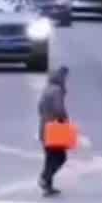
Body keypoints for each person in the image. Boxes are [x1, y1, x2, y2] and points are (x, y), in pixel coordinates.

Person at [38, 65, 72, 196]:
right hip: (54, 128)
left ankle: (48, 186)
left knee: (50, 157)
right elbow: (59, 109)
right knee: (60, 157)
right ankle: (44, 178)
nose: (65, 80)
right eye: (64, 77)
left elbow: (40, 108)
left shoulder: (46, 89)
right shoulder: (57, 91)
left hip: (44, 127)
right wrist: (65, 120)